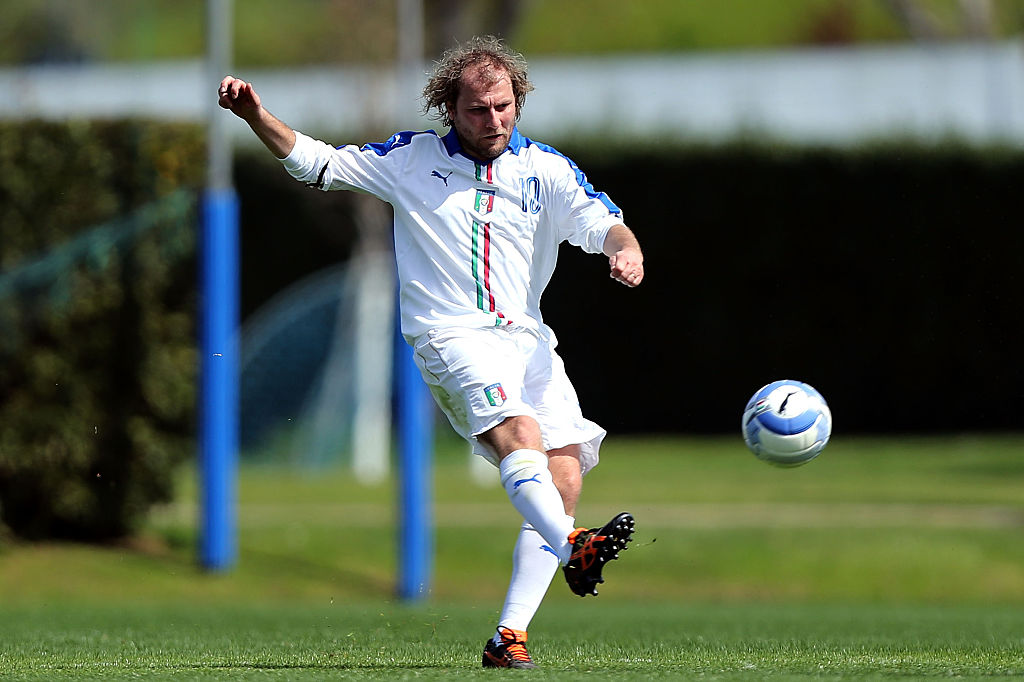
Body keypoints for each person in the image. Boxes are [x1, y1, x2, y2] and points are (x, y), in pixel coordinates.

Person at [218, 35, 644, 670]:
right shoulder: (410, 159)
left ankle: (509, 636)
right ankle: (573, 547)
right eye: (477, 109)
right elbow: (317, 163)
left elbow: (601, 220)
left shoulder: (546, 169)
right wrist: (255, 114)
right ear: (450, 108)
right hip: (451, 335)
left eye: (503, 106)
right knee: (520, 436)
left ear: (517, 100)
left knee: (564, 475)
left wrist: (624, 249)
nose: (493, 119)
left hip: (527, 340)